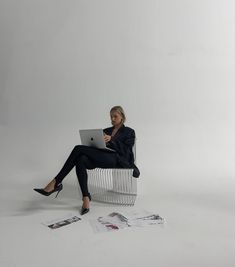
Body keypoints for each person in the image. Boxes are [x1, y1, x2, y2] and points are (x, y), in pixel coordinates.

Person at [33, 106, 140, 215]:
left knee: (78, 148)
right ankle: (85, 197)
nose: (112, 119)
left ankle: (56, 182)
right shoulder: (106, 131)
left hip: (117, 159)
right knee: (81, 159)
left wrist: (112, 140)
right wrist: (97, 143)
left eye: (115, 116)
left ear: (122, 116)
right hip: (103, 156)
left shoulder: (129, 132)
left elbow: (127, 152)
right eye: (111, 116)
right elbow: (98, 146)